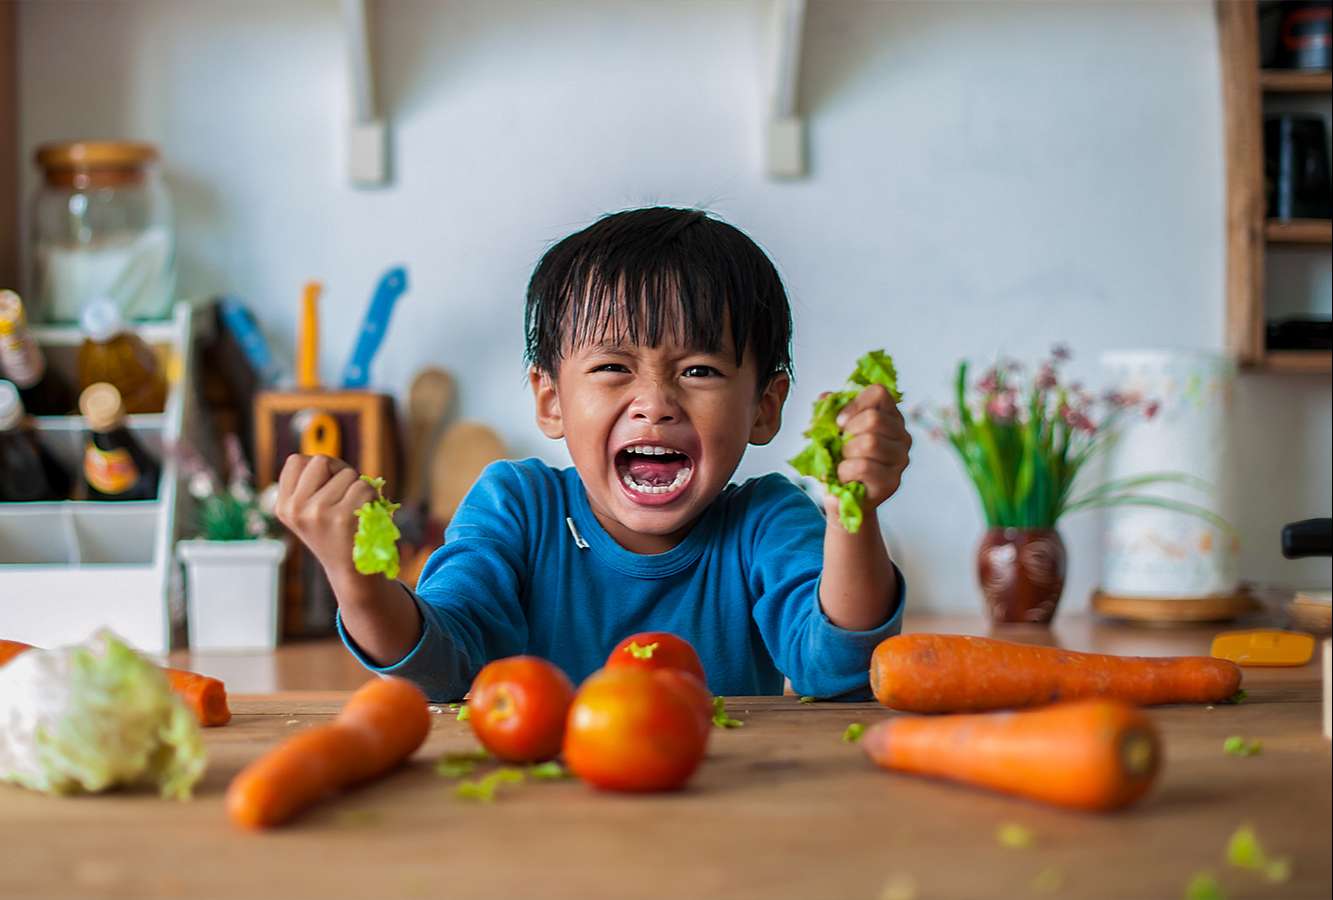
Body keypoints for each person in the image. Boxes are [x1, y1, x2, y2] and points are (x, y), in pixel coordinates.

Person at [275, 207, 911, 701]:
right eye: (612, 366)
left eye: (700, 371)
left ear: (765, 407)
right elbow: (439, 668)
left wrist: (851, 509)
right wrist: (355, 581)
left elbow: (840, 673)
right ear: (550, 400)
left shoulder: (769, 522)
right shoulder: (515, 509)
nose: (654, 403)